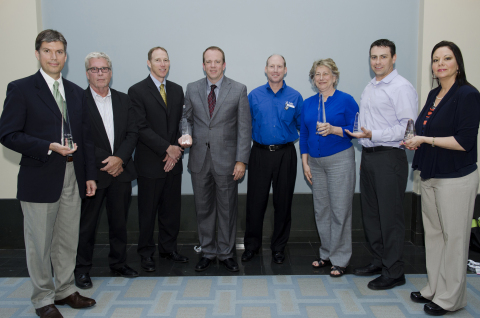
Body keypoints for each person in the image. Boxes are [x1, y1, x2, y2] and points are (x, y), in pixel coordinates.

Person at [0, 29, 97, 318]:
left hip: (73, 176)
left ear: (65, 57)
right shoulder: (21, 88)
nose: (53, 57)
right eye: (47, 51)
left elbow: (87, 138)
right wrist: (47, 146)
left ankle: (65, 289)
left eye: (58, 52)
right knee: (39, 244)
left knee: (67, 240)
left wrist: (90, 174)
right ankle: (43, 298)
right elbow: (8, 134)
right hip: (40, 177)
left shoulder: (77, 92)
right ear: (37, 53)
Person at [403, 41, 480, 316]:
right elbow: (426, 129)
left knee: (455, 239)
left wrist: (425, 139)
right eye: (436, 60)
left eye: (447, 58)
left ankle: (452, 298)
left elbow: (464, 141)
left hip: (456, 178)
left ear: (457, 63)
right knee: (434, 236)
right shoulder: (435, 94)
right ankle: (434, 287)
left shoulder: (468, 94)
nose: (440, 64)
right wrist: (417, 142)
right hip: (431, 174)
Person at [345, 39, 417, 290]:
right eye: (373, 57)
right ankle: (379, 261)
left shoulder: (401, 87)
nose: (377, 62)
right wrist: (366, 144)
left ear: (393, 58)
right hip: (371, 156)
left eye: (383, 57)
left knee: (390, 217)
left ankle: (395, 271)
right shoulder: (371, 85)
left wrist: (372, 135)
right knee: (372, 215)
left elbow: (407, 130)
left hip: (390, 157)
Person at [182, 46, 251, 272]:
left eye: (217, 61)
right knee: (203, 209)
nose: (212, 65)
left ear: (224, 64)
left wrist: (241, 160)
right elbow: (186, 118)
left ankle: (226, 253)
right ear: (203, 65)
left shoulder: (239, 89)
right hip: (200, 160)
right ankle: (208, 252)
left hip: (228, 161)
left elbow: (244, 128)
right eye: (208, 62)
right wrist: (185, 132)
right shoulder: (192, 89)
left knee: (227, 209)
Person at [75, 52, 139, 289]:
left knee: (119, 222)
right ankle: (81, 269)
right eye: (95, 69)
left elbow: (133, 133)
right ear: (87, 73)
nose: (100, 73)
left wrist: (120, 158)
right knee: (87, 225)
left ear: (111, 72)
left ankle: (119, 263)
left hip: (121, 172)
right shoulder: (78, 101)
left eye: (104, 69)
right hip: (93, 173)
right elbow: (81, 140)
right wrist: (109, 161)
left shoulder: (124, 100)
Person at [128, 47, 188, 272]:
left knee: (171, 211)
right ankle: (145, 253)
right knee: (148, 211)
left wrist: (175, 150)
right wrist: (166, 149)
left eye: (165, 60)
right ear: (148, 63)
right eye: (157, 60)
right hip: (150, 162)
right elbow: (140, 127)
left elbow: (181, 124)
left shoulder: (176, 90)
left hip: (174, 162)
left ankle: (168, 249)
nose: (162, 64)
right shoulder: (137, 91)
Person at [242, 54, 303, 264]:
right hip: (259, 153)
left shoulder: (295, 96)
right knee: (255, 203)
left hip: (286, 154)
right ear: (265, 69)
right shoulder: (254, 95)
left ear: (285, 70)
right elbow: (245, 126)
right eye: (272, 66)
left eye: (279, 66)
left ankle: (279, 248)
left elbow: (302, 126)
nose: (275, 70)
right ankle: (251, 246)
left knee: (283, 203)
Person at [300, 58, 358, 277]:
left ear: (335, 76)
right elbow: (304, 134)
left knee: (340, 210)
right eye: (317, 74)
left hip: (339, 160)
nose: (321, 78)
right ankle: (326, 253)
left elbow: (356, 130)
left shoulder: (346, 100)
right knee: (321, 209)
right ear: (313, 79)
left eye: (325, 74)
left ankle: (340, 259)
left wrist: (334, 130)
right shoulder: (308, 103)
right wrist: (305, 162)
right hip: (314, 162)